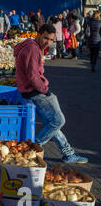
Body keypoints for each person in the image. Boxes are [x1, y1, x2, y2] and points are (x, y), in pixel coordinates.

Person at [14, 24, 88, 164]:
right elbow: (33, 76)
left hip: (31, 91)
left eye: (51, 40)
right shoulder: (32, 49)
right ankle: (34, 146)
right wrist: (45, 90)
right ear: (39, 34)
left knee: (51, 124)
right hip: (36, 92)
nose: (48, 42)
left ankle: (68, 153)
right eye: (45, 38)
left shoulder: (31, 46)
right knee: (59, 121)